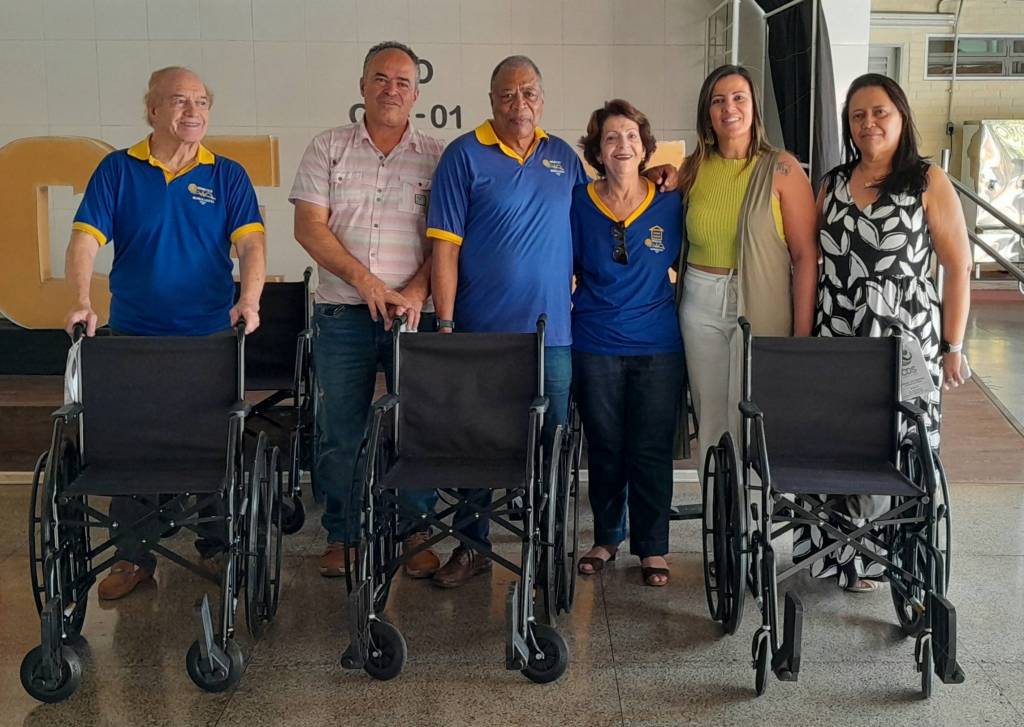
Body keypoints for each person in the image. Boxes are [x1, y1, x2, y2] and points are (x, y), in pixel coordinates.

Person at [64, 66, 267, 599]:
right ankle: (133, 556)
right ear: (152, 110)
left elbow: (251, 245)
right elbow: (85, 240)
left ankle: (217, 546)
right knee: (133, 444)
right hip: (135, 337)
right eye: (179, 101)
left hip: (208, 338)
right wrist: (82, 300)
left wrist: (249, 299)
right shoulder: (118, 170)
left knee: (213, 441)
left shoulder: (227, 175)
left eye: (201, 101)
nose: (193, 111)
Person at [792, 73, 972, 592]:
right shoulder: (831, 183)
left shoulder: (927, 180)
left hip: (905, 340)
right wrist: (802, 342)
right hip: (838, 329)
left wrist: (953, 346)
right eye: (858, 115)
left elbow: (957, 266)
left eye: (879, 112)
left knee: (902, 444)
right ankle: (842, 557)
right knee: (839, 440)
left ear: (901, 117)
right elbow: (810, 262)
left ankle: (895, 561)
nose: (868, 123)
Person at [426, 55, 587, 588]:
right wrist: (445, 324)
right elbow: (444, 249)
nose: (520, 103)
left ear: (542, 97)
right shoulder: (463, 155)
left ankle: (549, 547)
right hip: (482, 335)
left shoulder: (564, 157)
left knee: (553, 446)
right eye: (508, 94)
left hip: (554, 337)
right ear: (492, 100)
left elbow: (595, 219)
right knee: (477, 447)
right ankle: (472, 547)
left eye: (529, 92)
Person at [290, 42, 445, 579]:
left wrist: (417, 292)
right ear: (362, 87)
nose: (391, 89)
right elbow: (308, 227)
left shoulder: (437, 155)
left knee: (417, 425)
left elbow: (447, 239)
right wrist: (368, 282)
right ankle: (344, 534)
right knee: (340, 430)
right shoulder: (327, 147)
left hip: (415, 317)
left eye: (402, 82)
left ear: (417, 93)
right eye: (380, 78)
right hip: (343, 315)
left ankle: (415, 530)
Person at [677, 64, 818, 476]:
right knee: (710, 414)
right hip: (700, 300)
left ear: (755, 106)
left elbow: (805, 257)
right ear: (707, 112)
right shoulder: (692, 169)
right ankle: (716, 503)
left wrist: (802, 336)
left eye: (738, 98)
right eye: (718, 100)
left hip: (761, 300)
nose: (729, 108)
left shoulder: (783, 169)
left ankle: (752, 507)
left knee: (753, 411)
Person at [570, 100, 684, 587]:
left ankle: (652, 546)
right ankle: (606, 537)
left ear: (645, 147)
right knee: (605, 445)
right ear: (597, 150)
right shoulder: (577, 201)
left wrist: (673, 174)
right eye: (611, 138)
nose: (622, 145)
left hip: (657, 345)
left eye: (631, 136)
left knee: (651, 447)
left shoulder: (671, 202)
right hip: (594, 342)